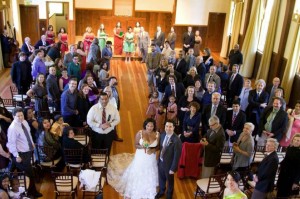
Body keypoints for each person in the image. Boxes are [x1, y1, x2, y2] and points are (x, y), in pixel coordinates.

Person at [114, 118, 159, 199]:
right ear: (145, 125)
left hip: (151, 157)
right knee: (138, 171)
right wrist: (143, 147)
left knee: (149, 171)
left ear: (154, 126)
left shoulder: (157, 134)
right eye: (148, 125)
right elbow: (136, 145)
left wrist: (153, 149)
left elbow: (158, 146)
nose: (149, 127)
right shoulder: (140, 133)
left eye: (151, 126)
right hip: (141, 156)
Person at [6, 107, 43, 198]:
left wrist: (31, 143)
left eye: (21, 115)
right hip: (20, 154)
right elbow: (11, 143)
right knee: (30, 174)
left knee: (25, 173)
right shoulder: (13, 128)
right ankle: (31, 193)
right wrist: (16, 156)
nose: (20, 117)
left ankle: (26, 192)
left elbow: (28, 134)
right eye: (18, 116)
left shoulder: (25, 122)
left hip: (28, 151)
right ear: (13, 116)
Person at [156, 119, 182, 199]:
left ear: (174, 128)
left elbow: (177, 156)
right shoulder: (163, 135)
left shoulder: (176, 140)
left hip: (169, 165)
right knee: (161, 178)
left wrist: (173, 168)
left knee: (170, 181)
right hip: (161, 161)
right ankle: (161, 191)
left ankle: (169, 195)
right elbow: (160, 148)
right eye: (166, 126)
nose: (168, 128)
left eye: (170, 127)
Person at [276, 133, 300, 198]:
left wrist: (296, 182)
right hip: (284, 174)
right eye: (295, 139)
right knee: (279, 192)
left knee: (286, 195)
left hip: (291, 177)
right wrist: (278, 164)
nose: (296, 141)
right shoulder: (289, 148)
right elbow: (286, 159)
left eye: (298, 140)